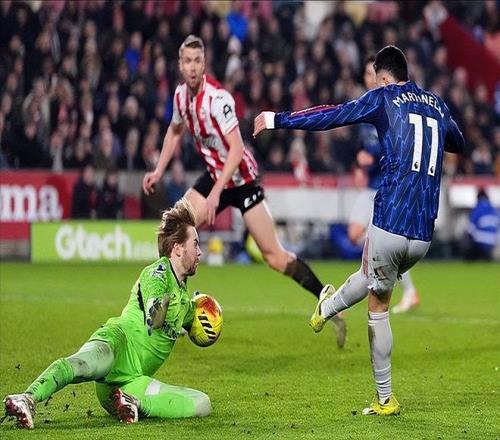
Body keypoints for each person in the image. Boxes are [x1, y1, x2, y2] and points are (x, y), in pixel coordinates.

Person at [254, 45, 464, 415]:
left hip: (390, 221)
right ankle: (327, 307)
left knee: (377, 306)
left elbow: (332, 115)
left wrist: (277, 119)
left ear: (383, 77)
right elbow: (458, 143)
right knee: (370, 277)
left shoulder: (383, 97)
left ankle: (385, 399)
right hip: (423, 236)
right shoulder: (436, 103)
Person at [142, 35, 346, 347]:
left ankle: (325, 296)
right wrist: (158, 170)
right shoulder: (180, 97)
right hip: (215, 175)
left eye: (197, 61)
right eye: (187, 61)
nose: (192, 67)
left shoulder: (219, 100)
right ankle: (169, 305)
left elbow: (236, 150)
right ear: (180, 65)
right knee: (172, 229)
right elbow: (174, 130)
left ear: (204, 64)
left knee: (274, 257)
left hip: (242, 180)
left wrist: (216, 194)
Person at [4, 199, 214, 428]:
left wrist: (207, 316)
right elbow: (154, 317)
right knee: (82, 365)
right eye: (196, 244)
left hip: (128, 384)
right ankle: (27, 398)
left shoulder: (183, 296)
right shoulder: (158, 273)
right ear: (178, 248)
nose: (200, 252)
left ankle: (134, 403)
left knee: (202, 404)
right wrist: (162, 309)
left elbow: (198, 320)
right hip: (117, 344)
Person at [349, 58, 420, 314]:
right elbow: (362, 147)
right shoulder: (365, 104)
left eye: (374, 72)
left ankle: (403, 289)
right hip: (371, 185)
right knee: (355, 235)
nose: (370, 77)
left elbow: (399, 144)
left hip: (388, 187)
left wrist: (374, 157)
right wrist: (359, 167)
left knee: (377, 241)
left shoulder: (394, 105)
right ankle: (382, 276)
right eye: (367, 73)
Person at [464, 188, 499, 260]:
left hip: (479, 242)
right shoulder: (494, 209)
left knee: (468, 238)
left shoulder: (478, 208)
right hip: (492, 242)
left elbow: (470, 228)